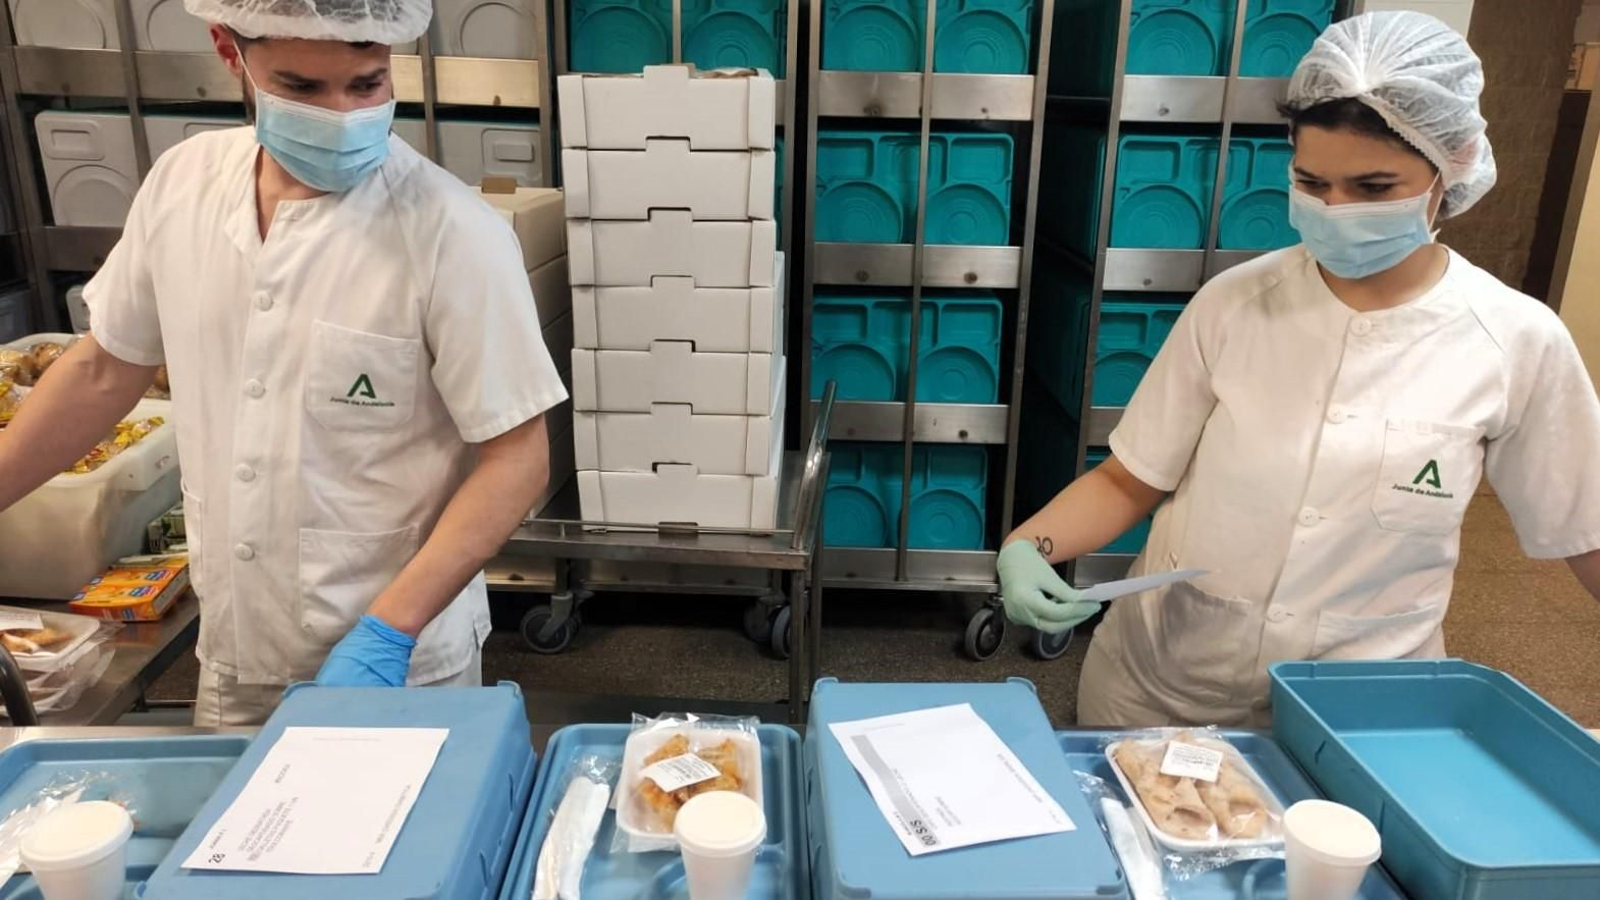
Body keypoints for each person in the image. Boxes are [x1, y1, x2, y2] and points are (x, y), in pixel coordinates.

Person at [999, 11, 1600, 727]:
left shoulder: (1514, 339)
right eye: (1312, 182)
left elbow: (1585, 532)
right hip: (1168, 689)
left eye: (1374, 188)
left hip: (1355, 713)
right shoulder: (1236, 303)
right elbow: (1130, 479)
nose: (1335, 209)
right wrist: (1028, 547)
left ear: (1455, 164)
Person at [0, 0, 568, 725]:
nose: (340, 114)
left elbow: (516, 460)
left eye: (365, 85)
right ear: (229, 51)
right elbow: (105, 370)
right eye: (302, 88)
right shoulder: (183, 186)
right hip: (239, 650)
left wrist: (385, 634)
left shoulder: (453, 232)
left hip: (397, 665)